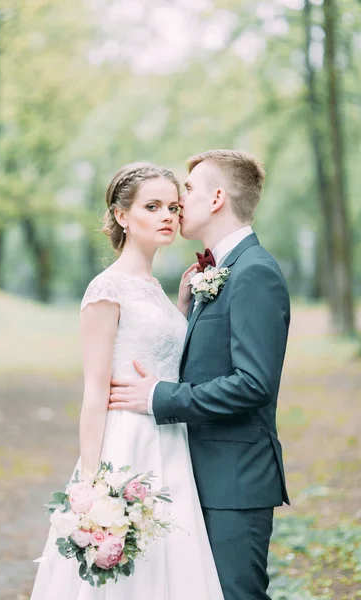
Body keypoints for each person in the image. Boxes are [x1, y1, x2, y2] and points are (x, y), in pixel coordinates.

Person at [30, 161, 224, 599]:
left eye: (173, 207)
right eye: (152, 206)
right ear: (122, 215)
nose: (167, 217)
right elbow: (95, 392)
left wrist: (180, 306)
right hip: (128, 446)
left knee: (172, 567)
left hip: (171, 442)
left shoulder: (155, 286)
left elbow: (160, 354)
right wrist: (92, 485)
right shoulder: (106, 289)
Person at [109, 149, 291, 600]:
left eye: (187, 191)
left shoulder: (254, 274)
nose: (178, 201)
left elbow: (253, 383)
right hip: (194, 474)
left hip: (234, 480)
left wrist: (159, 397)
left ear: (215, 199)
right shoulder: (217, 272)